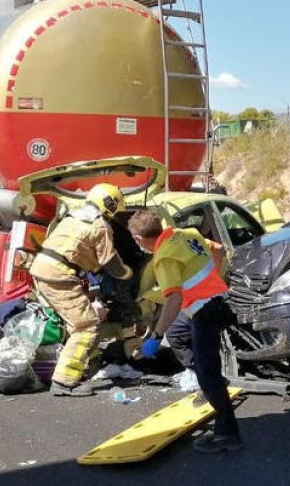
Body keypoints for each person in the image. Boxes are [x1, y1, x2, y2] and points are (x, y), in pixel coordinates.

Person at [129, 208, 241, 454]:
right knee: (177, 334)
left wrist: (156, 335)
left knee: (207, 371)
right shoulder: (186, 233)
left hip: (205, 311)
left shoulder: (164, 258)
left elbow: (173, 300)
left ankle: (227, 433)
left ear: (138, 239)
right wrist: (213, 278)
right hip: (218, 301)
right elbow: (218, 249)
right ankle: (211, 384)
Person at [30, 183, 133, 396]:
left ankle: (88, 362)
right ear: (111, 205)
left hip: (41, 268)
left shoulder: (71, 217)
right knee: (86, 326)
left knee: (74, 323)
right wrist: (128, 274)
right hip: (60, 275)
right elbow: (111, 263)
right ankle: (64, 381)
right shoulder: (101, 226)